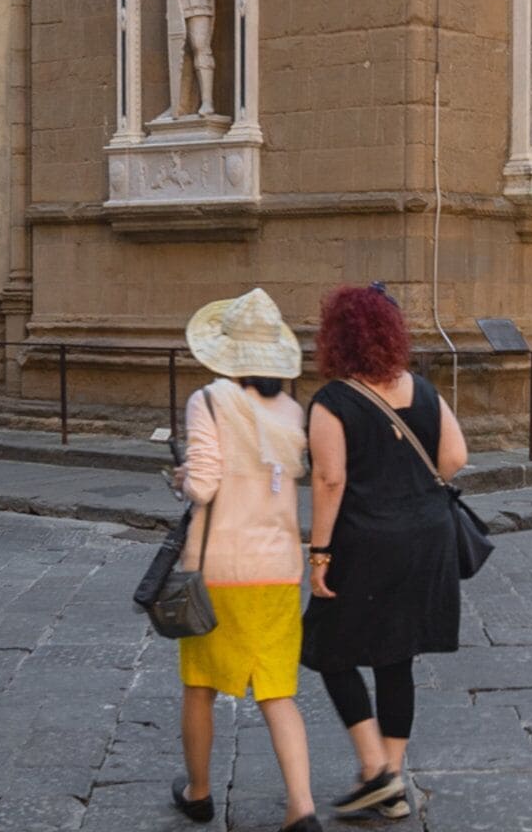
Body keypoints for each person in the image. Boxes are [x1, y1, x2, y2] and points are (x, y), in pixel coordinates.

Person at [303, 284, 466, 825]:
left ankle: (376, 767)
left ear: (337, 338)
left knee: (327, 647)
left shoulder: (332, 400)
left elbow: (329, 479)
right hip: (428, 537)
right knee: (398, 656)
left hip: (366, 541)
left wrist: (318, 552)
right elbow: (456, 458)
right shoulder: (422, 389)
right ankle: (391, 780)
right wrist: (411, 495)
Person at [166, 290, 315, 830]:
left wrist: (181, 478)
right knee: (278, 692)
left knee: (199, 684)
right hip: (279, 567)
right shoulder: (294, 409)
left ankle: (199, 792)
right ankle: (301, 806)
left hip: (220, 569)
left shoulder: (208, 400)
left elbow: (203, 486)